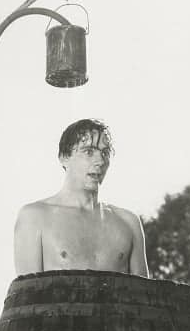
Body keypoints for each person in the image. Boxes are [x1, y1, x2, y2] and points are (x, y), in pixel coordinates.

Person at [14, 118, 149, 277]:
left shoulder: (129, 222)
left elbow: (143, 298)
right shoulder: (34, 216)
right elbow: (27, 296)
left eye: (105, 153)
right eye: (89, 152)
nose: (100, 161)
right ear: (64, 157)